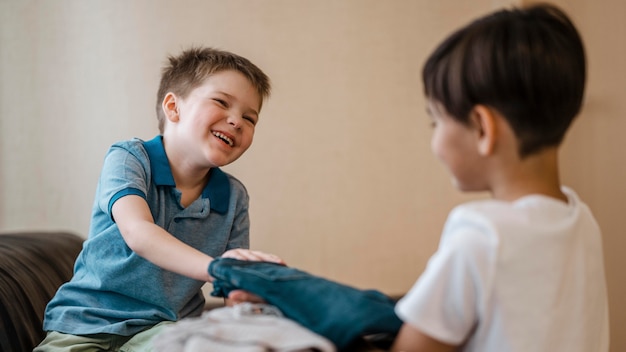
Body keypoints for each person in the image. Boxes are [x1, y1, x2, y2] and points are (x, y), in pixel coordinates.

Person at [225, 3, 609, 352]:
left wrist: (290, 307)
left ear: (481, 128)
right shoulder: (581, 220)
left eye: (435, 120)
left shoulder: (482, 233)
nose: (435, 137)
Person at [35, 47, 283, 352]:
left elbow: (232, 283)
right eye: (221, 102)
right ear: (173, 107)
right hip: (86, 322)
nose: (237, 121)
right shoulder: (129, 159)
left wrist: (254, 289)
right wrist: (216, 268)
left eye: (250, 118)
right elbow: (138, 232)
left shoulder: (234, 196)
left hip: (167, 331)